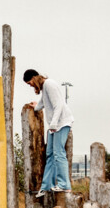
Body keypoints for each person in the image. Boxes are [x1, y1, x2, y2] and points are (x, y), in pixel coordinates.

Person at [23, 69, 74, 198]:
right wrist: (35, 106)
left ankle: (64, 185)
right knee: (50, 154)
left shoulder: (49, 84)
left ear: (34, 78)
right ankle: (46, 186)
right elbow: (43, 103)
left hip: (61, 123)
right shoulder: (45, 88)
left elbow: (59, 105)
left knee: (58, 152)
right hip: (54, 125)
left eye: (30, 83)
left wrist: (54, 123)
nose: (31, 86)